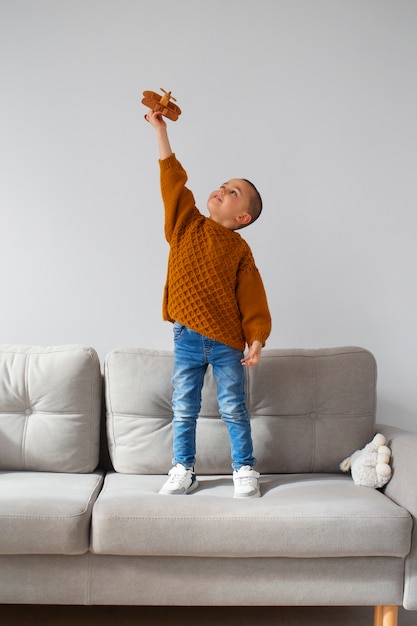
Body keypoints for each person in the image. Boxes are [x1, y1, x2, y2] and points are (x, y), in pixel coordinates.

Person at [145, 109, 272, 498]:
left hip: (228, 343)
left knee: (233, 407)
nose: (222, 189)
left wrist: (256, 339)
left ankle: (244, 468)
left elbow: (252, 299)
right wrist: (161, 132)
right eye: (222, 185)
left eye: (233, 192)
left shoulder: (239, 249)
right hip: (186, 336)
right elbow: (172, 180)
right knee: (184, 408)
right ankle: (183, 467)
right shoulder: (185, 222)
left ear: (243, 215)